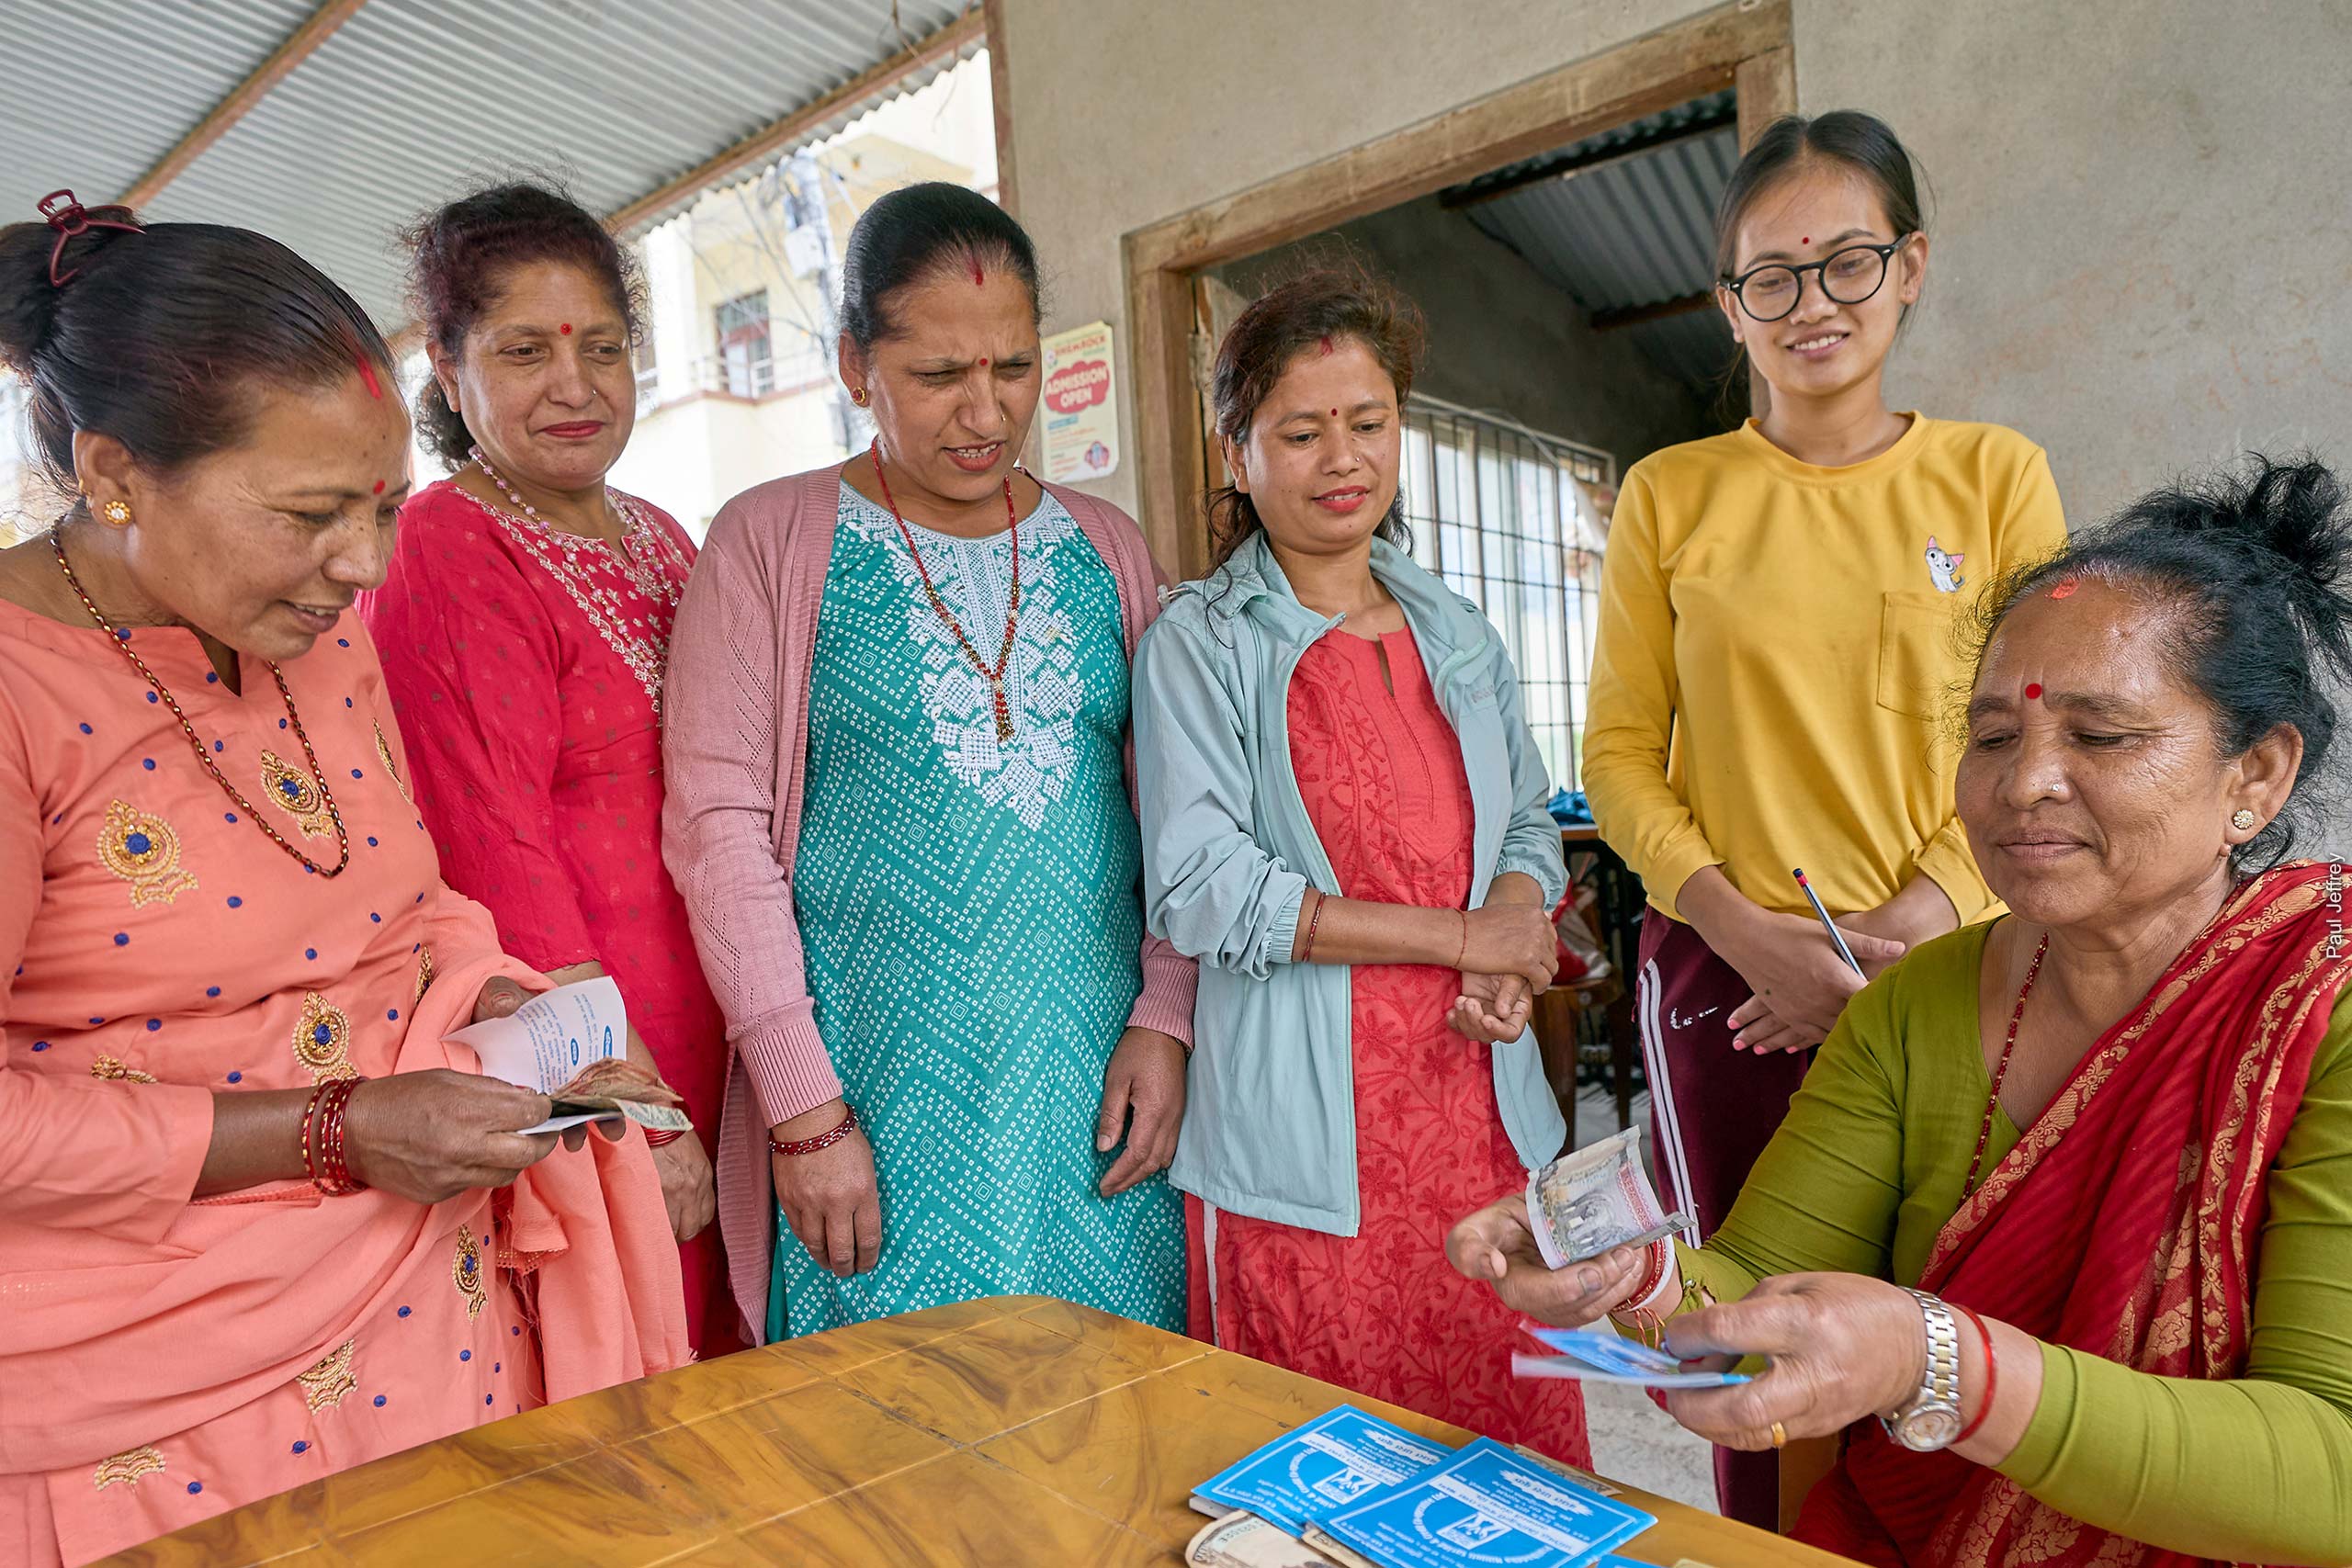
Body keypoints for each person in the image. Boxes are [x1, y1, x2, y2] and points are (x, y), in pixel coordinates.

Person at [1450, 457, 2352, 1566]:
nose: (2023, 785)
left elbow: (2332, 1469)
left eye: (2100, 738)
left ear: (2255, 775)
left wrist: (1939, 1364)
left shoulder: (2323, 1009)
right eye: (1990, 738)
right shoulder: (1913, 1005)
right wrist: (1621, 1270)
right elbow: (1748, 1292)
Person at [0, 195, 686, 1568]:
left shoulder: (320, 638)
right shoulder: (19, 694)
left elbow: (415, 914)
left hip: (433, 1328)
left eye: (380, 506)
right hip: (157, 1418)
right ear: (116, 469)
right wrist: (335, 1128)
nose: (363, 567)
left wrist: (543, 1044)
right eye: (311, 514)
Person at [1579, 110, 2068, 1523]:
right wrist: (1747, 932)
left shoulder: (1995, 476)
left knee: (1963, 1312)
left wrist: (1910, 925)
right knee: (1754, 1328)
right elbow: (1617, 752)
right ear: (1730, 305)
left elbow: (2032, 723)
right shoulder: (1674, 494)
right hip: (1726, 984)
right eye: (1771, 277)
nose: (1814, 305)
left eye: (1847, 262)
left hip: (1968, 964)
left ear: (1910, 267)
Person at [662, 183, 1195, 1343]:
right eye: (939, 375)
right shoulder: (768, 540)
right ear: (855, 363)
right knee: (908, 1441)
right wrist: (802, 1110)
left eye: (1013, 368)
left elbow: (1178, 813)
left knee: (1120, 1416)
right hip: (877, 1101)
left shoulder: (1106, 548)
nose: (985, 413)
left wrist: (1168, 1016)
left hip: (1094, 1091)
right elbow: (718, 833)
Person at [1133, 269, 1586, 1462]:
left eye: (1369, 422)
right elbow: (1199, 884)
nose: (1344, 457)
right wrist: (1458, 938)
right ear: (1236, 453)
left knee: (1507, 1470)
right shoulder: (1202, 642)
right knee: (1330, 1483)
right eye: (1300, 430)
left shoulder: (1455, 626)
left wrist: (1514, 914)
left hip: (1481, 1124)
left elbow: (1529, 820)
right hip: (1305, 1160)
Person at [362, 183, 725, 1353]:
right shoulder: (447, 545)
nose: (575, 384)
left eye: (604, 347)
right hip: (598, 1053)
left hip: (725, 1021)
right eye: (525, 350)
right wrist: (636, 1110)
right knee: (646, 1381)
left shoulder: (662, 533)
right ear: (447, 366)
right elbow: (493, 846)